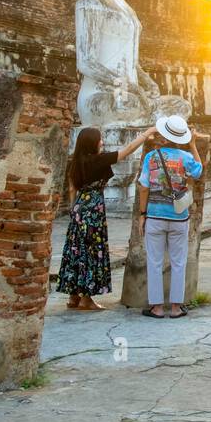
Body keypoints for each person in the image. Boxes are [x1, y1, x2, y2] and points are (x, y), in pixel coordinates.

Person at [58, 124, 157, 311]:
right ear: (92, 143)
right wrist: (147, 133)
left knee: (76, 250)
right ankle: (86, 299)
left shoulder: (76, 161)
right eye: (99, 139)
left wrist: (74, 209)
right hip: (94, 208)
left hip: (79, 207)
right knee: (92, 251)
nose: (102, 142)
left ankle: (73, 297)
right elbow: (126, 151)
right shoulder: (98, 160)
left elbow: (72, 188)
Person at [135, 114, 205, 319]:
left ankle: (156, 307)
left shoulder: (152, 157)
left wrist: (142, 214)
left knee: (154, 262)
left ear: (163, 137)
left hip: (155, 216)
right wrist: (193, 146)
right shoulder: (186, 158)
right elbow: (198, 172)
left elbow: (144, 187)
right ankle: (176, 307)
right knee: (178, 262)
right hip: (178, 216)